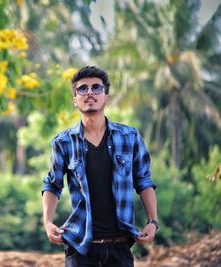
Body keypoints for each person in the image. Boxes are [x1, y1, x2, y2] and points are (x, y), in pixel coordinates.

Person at [42, 66, 159, 266]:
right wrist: (47, 222)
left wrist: (153, 221)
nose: (89, 92)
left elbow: (143, 181)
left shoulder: (129, 137)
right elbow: (52, 185)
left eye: (96, 88)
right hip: (80, 248)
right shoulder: (62, 142)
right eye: (82, 89)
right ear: (75, 100)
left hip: (120, 247)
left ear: (106, 97)